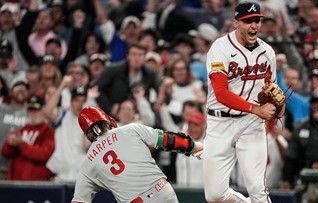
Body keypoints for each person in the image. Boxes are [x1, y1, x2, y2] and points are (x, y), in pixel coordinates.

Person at [204, 2, 277, 202]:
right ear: (236, 23)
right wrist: (256, 108)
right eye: (247, 21)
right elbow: (221, 93)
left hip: (251, 124)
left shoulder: (267, 52)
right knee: (215, 196)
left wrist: (276, 105)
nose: (254, 26)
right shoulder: (220, 48)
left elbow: (271, 90)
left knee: (257, 189)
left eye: (257, 21)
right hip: (220, 124)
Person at [71, 106, 203, 203]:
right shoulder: (130, 129)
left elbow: (79, 201)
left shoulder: (87, 164)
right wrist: (193, 147)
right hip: (162, 191)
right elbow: (167, 139)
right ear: (106, 120)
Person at [1, 95, 55, 180]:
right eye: (30, 110)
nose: (33, 114)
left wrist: (21, 144)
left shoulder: (49, 131)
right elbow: (5, 152)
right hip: (15, 182)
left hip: (37, 184)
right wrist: (10, 144)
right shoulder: (22, 129)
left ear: (43, 111)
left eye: (36, 110)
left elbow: (44, 154)